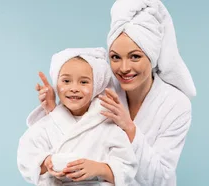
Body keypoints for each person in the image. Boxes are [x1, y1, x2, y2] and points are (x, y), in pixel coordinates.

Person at [29, 0, 196, 185]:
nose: (124, 68)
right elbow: (73, 138)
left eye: (135, 57)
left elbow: (161, 179)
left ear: (152, 55)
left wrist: (129, 129)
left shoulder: (176, 105)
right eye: (115, 57)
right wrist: (53, 109)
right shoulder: (103, 88)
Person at [18, 48, 137, 186]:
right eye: (66, 81)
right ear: (57, 84)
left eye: (84, 82)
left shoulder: (108, 125)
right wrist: (46, 162)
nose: (74, 88)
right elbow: (26, 157)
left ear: (97, 86)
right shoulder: (47, 125)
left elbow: (128, 168)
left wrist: (99, 168)